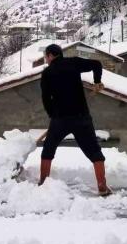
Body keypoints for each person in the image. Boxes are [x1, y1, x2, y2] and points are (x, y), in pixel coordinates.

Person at [38, 43, 112, 196]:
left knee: (48, 150)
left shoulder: (47, 72)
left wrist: (53, 115)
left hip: (60, 119)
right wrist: (97, 81)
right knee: (94, 151)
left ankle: (43, 182)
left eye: (46, 56)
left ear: (50, 55)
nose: (46, 59)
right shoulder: (73, 63)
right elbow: (97, 64)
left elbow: (45, 98)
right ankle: (102, 185)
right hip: (81, 117)